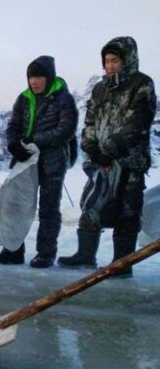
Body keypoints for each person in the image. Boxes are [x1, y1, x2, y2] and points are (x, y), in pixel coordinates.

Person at [59, 36, 156, 278]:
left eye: (115, 60)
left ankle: (121, 264)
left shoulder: (142, 84)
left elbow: (137, 124)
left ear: (127, 60)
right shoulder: (101, 88)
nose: (110, 65)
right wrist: (91, 148)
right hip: (100, 161)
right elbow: (90, 121)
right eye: (107, 61)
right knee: (92, 204)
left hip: (129, 161)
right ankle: (85, 255)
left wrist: (110, 149)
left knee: (127, 211)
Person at [0, 56, 78, 268]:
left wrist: (34, 140)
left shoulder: (64, 99)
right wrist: (13, 143)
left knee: (48, 209)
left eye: (38, 77)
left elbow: (66, 130)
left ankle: (45, 253)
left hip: (52, 162)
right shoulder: (23, 98)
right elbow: (13, 126)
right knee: (15, 205)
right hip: (25, 160)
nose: (34, 81)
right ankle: (13, 250)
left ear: (48, 77)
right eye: (31, 77)